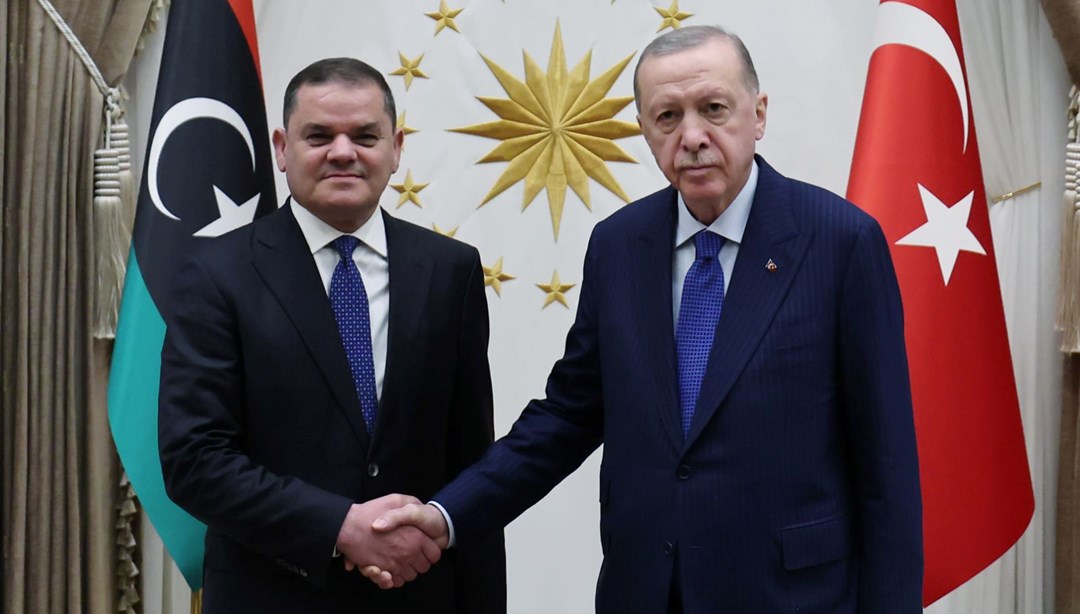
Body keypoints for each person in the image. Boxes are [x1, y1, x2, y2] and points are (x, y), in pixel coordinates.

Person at [368, 25, 923, 613]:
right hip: (646, 593)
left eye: (714, 109)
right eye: (667, 117)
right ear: (644, 129)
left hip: (791, 596)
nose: (692, 137)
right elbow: (568, 416)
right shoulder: (619, 246)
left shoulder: (840, 242)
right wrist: (446, 514)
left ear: (758, 114)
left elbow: (885, 464)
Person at [158, 57, 506, 613]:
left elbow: (471, 463)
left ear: (396, 148)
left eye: (365, 136)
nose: (343, 152)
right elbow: (195, 460)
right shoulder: (216, 275)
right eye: (319, 136)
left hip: (421, 598)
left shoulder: (450, 271)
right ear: (281, 148)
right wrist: (340, 526)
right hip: (272, 597)